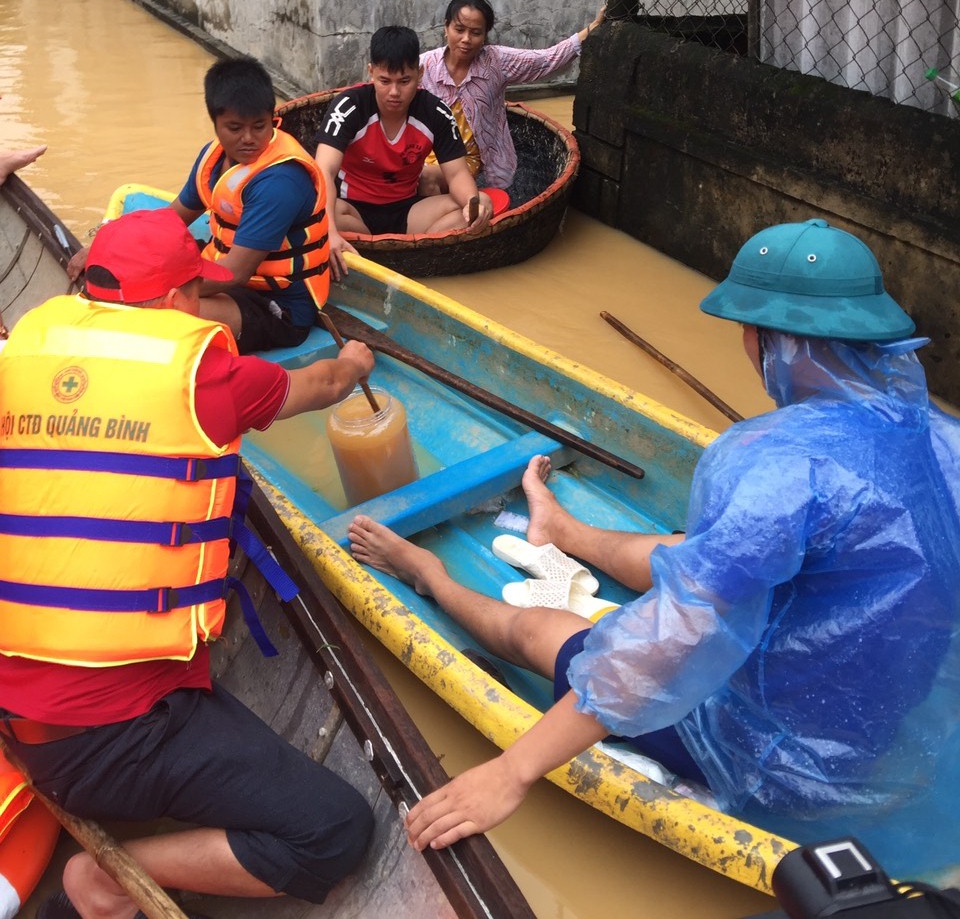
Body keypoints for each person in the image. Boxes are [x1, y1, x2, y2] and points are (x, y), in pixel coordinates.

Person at [347, 218, 960, 878]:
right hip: (876, 727)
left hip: (770, 754)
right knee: (694, 550)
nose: (746, 344)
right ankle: (561, 532)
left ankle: (428, 573)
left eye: (749, 330)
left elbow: (668, 644)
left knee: (542, 631)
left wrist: (512, 770)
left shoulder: (775, 463)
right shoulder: (943, 436)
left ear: (783, 342)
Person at [0, 208, 376, 918]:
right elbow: (320, 388)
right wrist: (353, 363)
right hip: (106, 736)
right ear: (178, 300)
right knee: (335, 831)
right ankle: (104, 882)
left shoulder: (22, 349)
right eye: (198, 292)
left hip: (15, 688)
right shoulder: (203, 374)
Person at [69, 56, 334, 355]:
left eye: (260, 126)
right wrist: (106, 252)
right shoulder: (213, 157)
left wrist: (148, 291)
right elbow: (169, 221)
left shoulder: (280, 182)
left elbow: (236, 273)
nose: (249, 139)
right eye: (234, 128)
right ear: (215, 122)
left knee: (155, 317)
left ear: (271, 118)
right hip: (219, 272)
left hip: (277, 302)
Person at [315, 26, 491, 270]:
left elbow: (458, 173)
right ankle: (414, 254)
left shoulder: (435, 112)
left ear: (419, 74)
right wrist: (330, 233)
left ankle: (413, 255)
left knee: (480, 202)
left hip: (408, 211)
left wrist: (474, 204)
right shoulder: (348, 107)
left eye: (404, 81)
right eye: (384, 81)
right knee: (312, 211)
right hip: (353, 212)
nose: (394, 92)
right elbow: (324, 171)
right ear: (371, 73)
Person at [418, 0, 605, 193]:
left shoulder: (496, 61)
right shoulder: (424, 66)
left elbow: (546, 60)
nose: (466, 39)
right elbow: (389, 85)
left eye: (475, 32)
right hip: (430, 154)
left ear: (485, 35)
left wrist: (591, 28)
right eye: (459, 29)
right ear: (446, 28)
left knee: (426, 179)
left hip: (473, 158)